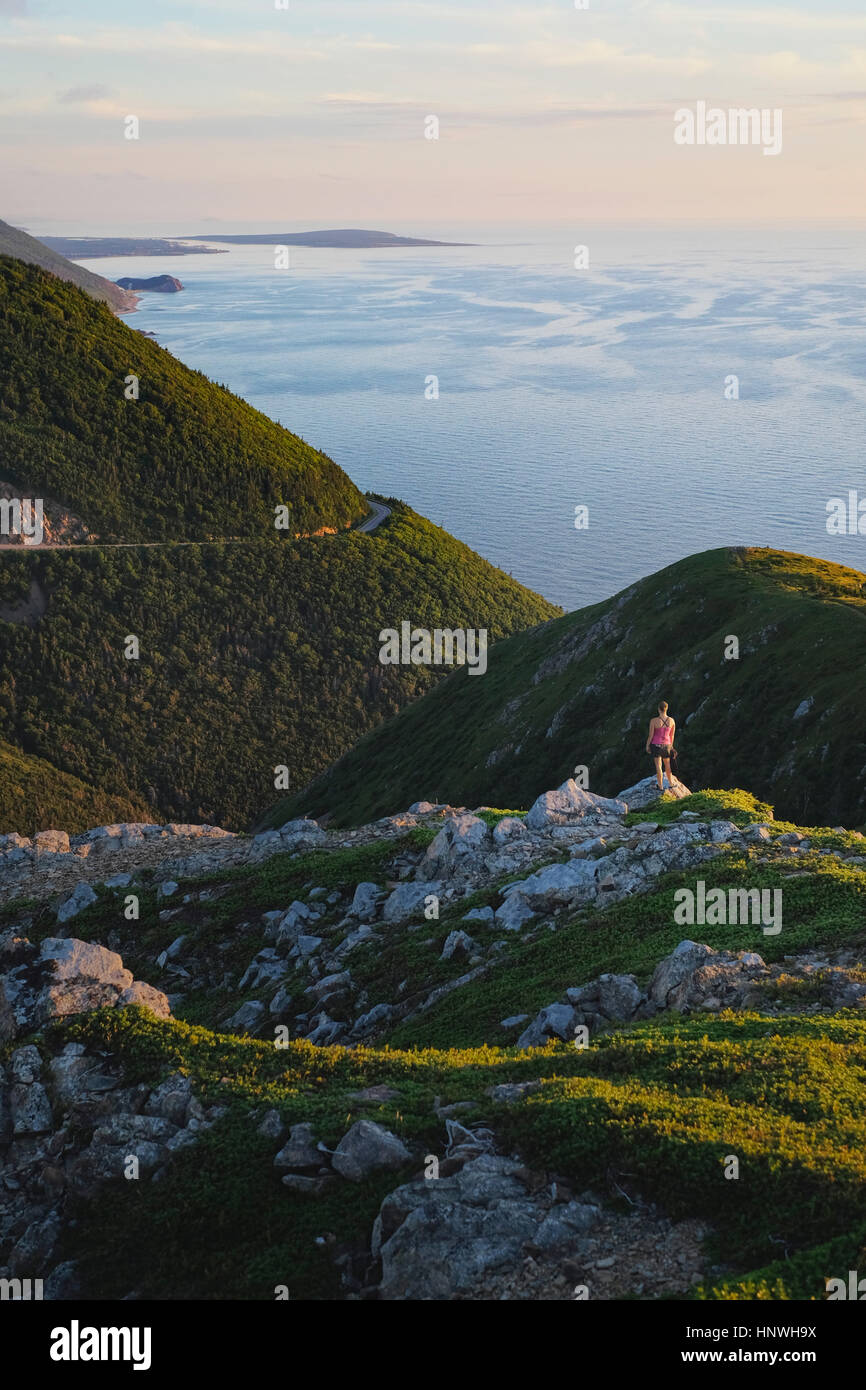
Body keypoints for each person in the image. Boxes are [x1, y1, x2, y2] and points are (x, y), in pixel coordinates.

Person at [646, 701, 676, 792]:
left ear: (659, 709)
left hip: (656, 745)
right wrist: (671, 746)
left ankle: (660, 786)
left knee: (659, 766)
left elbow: (650, 735)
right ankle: (671, 784)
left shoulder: (654, 721)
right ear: (666, 708)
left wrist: (647, 745)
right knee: (667, 764)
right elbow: (672, 736)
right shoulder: (672, 720)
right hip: (667, 745)